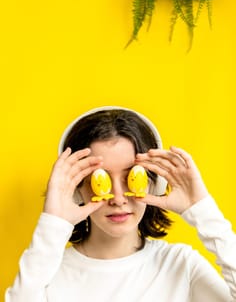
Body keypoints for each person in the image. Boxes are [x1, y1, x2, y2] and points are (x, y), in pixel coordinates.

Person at [5, 106, 236, 302]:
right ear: (77, 189)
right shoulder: (47, 273)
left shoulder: (180, 265)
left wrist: (202, 210)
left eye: (132, 178)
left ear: (153, 183)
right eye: (100, 179)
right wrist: (52, 224)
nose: (117, 198)